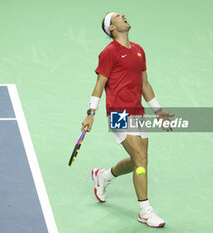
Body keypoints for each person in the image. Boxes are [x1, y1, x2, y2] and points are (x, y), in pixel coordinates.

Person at [81, 12, 173, 228]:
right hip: (119, 113)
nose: (122, 15)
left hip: (138, 112)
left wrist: (158, 111)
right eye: (116, 17)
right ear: (111, 28)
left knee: (139, 161)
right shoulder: (109, 52)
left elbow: (145, 84)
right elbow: (99, 84)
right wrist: (91, 113)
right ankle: (145, 211)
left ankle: (104, 176)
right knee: (140, 157)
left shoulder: (139, 50)